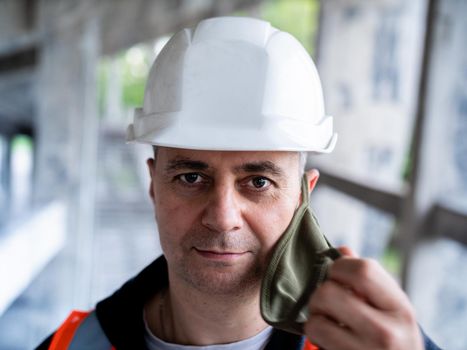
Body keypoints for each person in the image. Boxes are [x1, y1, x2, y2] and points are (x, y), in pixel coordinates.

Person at [36, 17, 440, 350]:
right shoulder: (73, 345)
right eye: (191, 177)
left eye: (258, 182)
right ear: (154, 186)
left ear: (302, 194)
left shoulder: (372, 345)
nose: (223, 217)